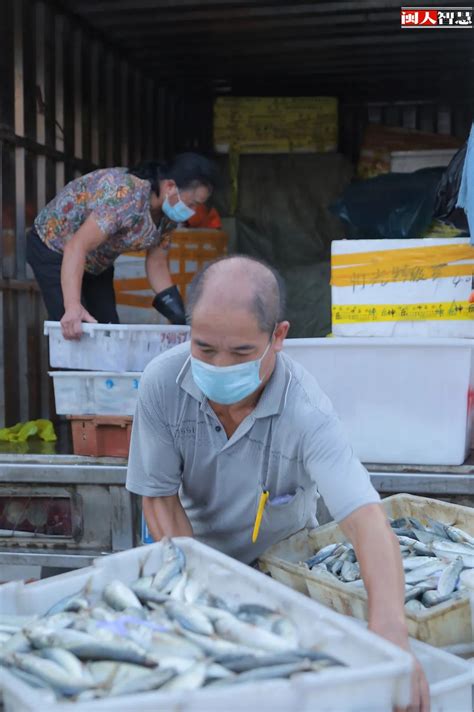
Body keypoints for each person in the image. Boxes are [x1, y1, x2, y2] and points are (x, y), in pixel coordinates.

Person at [126, 254, 429, 712]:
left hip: (284, 577)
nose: (221, 366)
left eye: (242, 353)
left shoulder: (306, 412)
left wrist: (391, 632)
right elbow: (160, 500)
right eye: (205, 348)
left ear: (279, 337)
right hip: (193, 563)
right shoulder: (162, 384)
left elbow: (366, 521)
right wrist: (201, 598)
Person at [26, 153, 219, 339]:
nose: (193, 213)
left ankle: (104, 373)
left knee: (108, 329)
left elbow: (157, 264)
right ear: (170, 186)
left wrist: (181, 320)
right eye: (192, 204)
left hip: (96, 261)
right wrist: (72, 306)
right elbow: (76, 246)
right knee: (74, 329)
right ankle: (70, 371)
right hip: (55, 247)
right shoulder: (126, 195)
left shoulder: (168, 217)